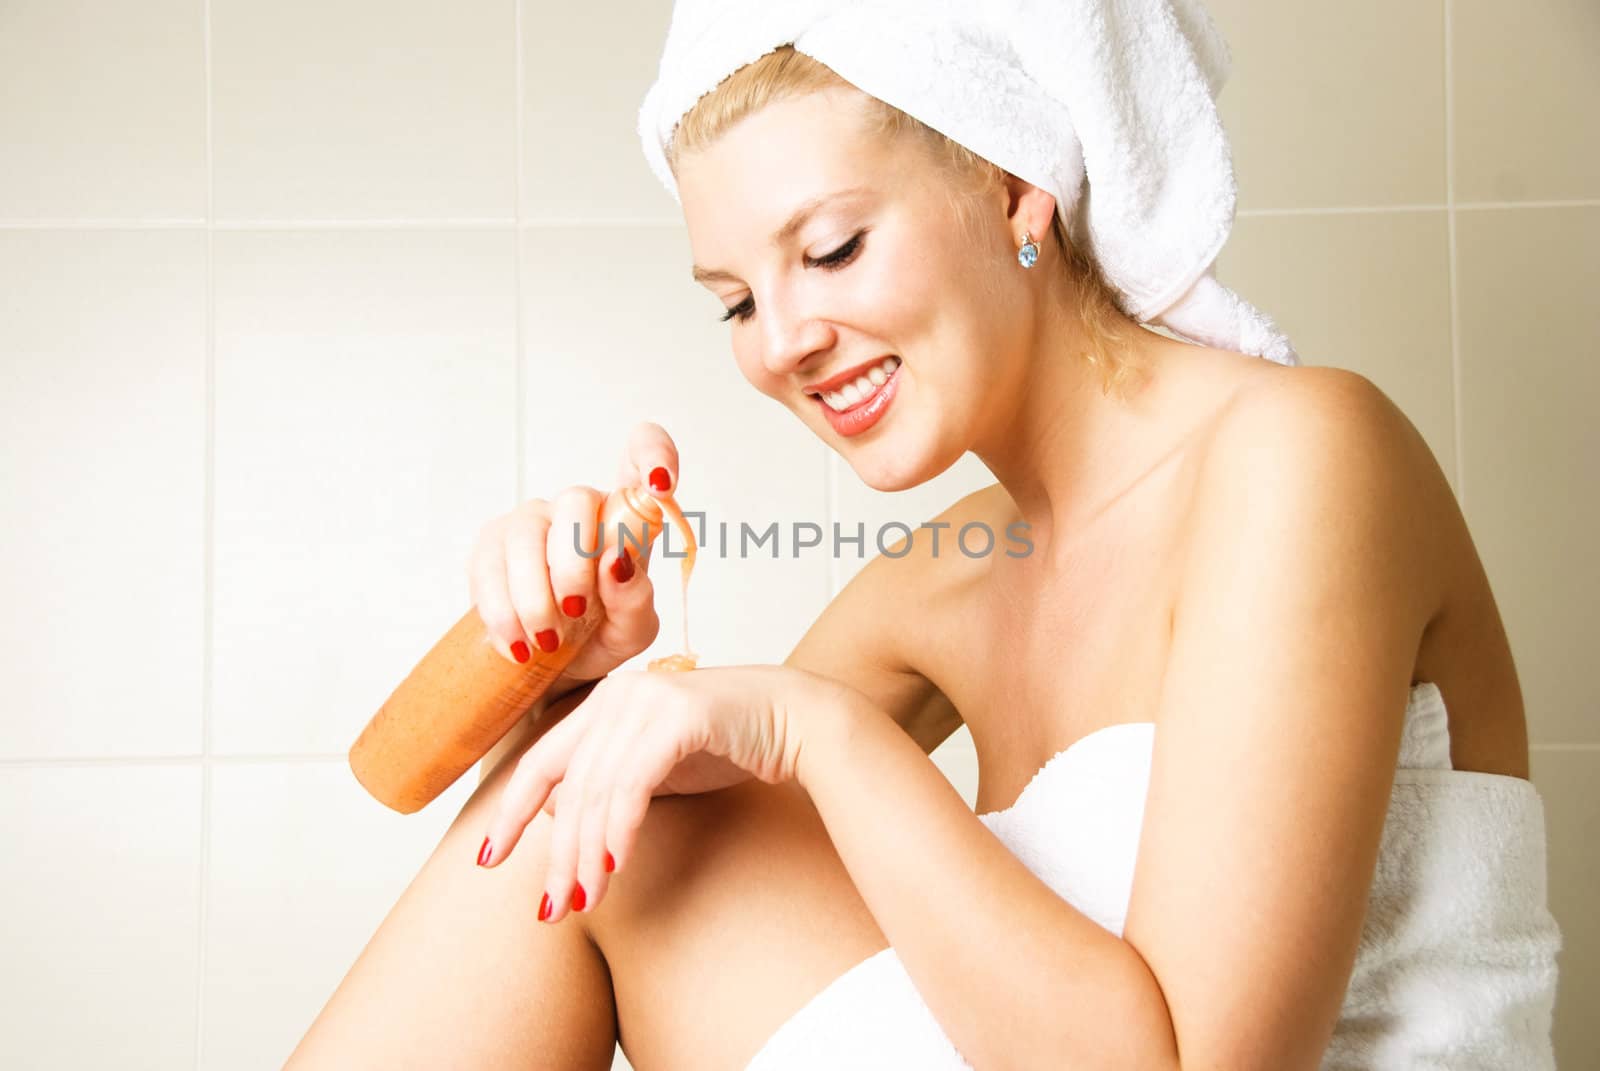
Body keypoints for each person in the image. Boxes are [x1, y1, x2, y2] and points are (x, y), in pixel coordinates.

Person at [287, 15, 1561, 1071]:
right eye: (736, 301)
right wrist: (579, 682)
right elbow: (637, 826)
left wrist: (815, 728)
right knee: (619, 820)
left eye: (831, 248)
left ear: (1017, 191)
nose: (780, 341)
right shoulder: (940, 578)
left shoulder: (1300, 456)